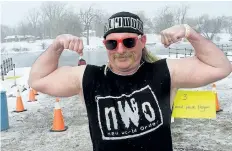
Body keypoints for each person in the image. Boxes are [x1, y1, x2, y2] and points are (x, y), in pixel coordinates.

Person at [28, 11, 232, 151]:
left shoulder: (164, 72)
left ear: (142, 41)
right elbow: (38, 80)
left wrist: (189, 33)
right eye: (112, 43)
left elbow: (220, 67)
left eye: (128, 41)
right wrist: (56, 46)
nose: (121, 50)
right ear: (105, 45)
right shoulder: (88, 77)